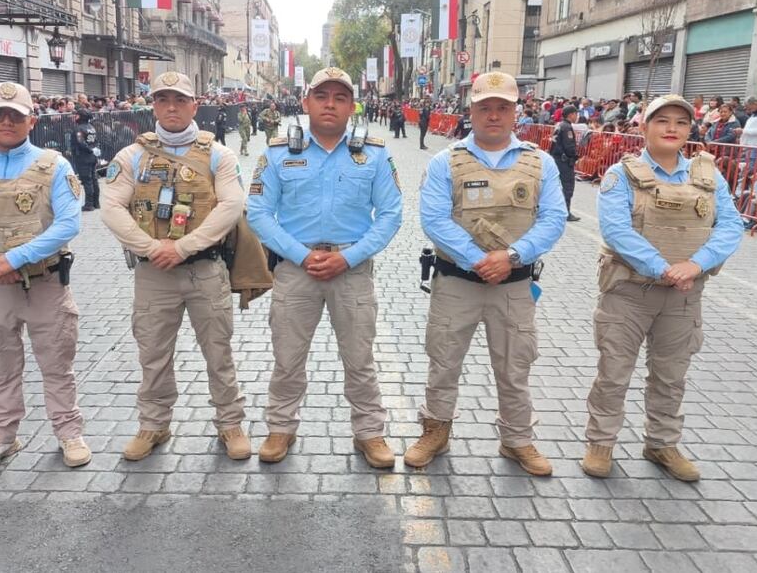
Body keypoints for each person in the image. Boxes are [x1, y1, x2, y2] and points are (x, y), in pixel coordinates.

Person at [405, 72, 567, 475]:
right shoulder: (446, 161)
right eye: (484, 107)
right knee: (443, 361)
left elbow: (553, 219)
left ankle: (517, 440)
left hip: (513, 286)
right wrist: (479, 259)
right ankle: (435, 431)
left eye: (502, 108)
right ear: (471, 110)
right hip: (457, 281)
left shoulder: (539, 161)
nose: (493, 115)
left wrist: (511, 256)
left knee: (515, 366)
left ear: (516, 112)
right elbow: (434, 219)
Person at [247, 67, 403, 468]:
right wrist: (300, 255)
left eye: (339, 97)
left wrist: (347, 257)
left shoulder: (375, 153)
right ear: (306, 102)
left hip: (351, 270)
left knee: (360, 358)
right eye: (322, 96)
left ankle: (370, 432)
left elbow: (390, 214)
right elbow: (259, 212)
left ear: (352, 105)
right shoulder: (280, 153)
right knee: (287, 357)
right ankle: (280, 427)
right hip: (296, 271)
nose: (330, 104)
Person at [583, 94, 743, 482]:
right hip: (629, 292)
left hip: (684, 295)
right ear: (644, 127)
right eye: (662, 121)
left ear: (690, 130)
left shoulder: (707, 176)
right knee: (614, 372)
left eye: (681, 123)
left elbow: (731, 225)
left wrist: (694, 265)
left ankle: (662, 443)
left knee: (671, 375)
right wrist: (663, 268)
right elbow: (617, 231)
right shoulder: (621, 176)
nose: (672, 129)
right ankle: (601, 443)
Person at [99, 71, 251, 462]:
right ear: (153, 105)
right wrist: (150, 247)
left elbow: (231, 205)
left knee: (218, 352)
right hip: (154, 273)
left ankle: (230, 423)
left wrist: (184, 247)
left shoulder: (219, 154)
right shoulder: (131, 156)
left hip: (204, 268)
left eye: (180, 100)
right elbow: (112, 206)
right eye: (163, 99)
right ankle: (153, 424)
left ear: (194, 105)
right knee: (152, 353)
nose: (171, 107)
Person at [0, 81, 90, 475]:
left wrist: (14, 259)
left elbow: (68, 223)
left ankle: (68, 432)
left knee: (57, 363)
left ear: (32, 121)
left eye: (16, 116)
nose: (7, 122)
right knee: (1, 367)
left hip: (44, 282)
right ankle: (1, 438)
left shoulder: (54, 165)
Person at [549, 105, 579, 222]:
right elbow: (569, 146)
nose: (576, 117)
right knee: (567, 187)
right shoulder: (567, 127)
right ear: (571, 114)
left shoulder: (559, 125)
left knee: (555, 186)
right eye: (576, 114)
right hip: (564, 161)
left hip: (556, 158)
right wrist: (574, 156)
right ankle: (565, 212)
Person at [71, 110, 100, 211]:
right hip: (92, 156)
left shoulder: (79, 129)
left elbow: (80, 142)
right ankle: (96, 202)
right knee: (93, 179)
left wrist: (89, 149)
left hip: (83, 157)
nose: (75, 117)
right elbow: (96, 141)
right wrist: (94, 151)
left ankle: (89, 204)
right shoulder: (91, 127)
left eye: (77, 115)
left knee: (87, 180)